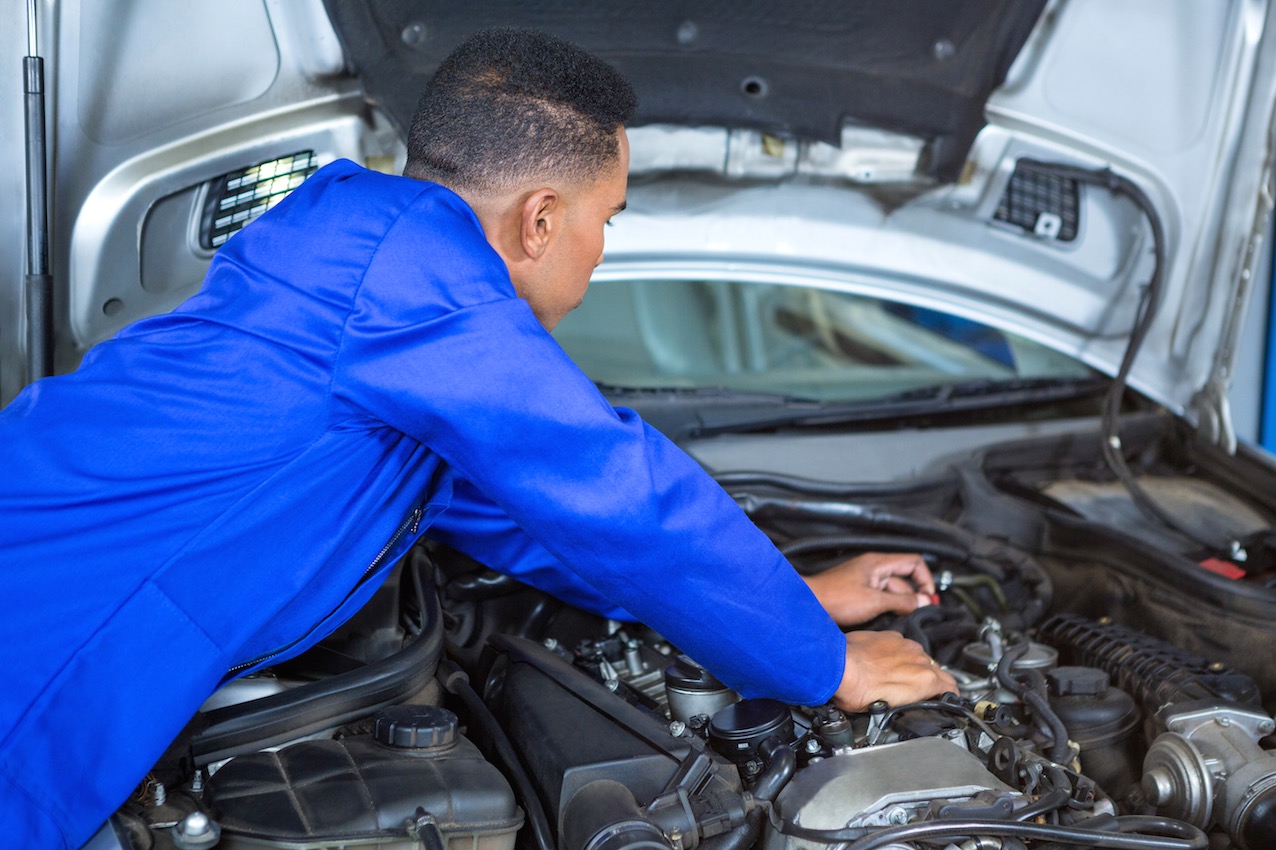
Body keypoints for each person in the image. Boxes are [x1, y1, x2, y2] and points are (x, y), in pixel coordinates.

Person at [0, 28, 955, 848]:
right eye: (606, 220)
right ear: (540, 219)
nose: (603, 249)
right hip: (39, 642)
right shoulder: (416, 282)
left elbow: (517, 516)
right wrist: (828, 668)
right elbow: (617, 489)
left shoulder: (360, 242)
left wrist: (792, 600)